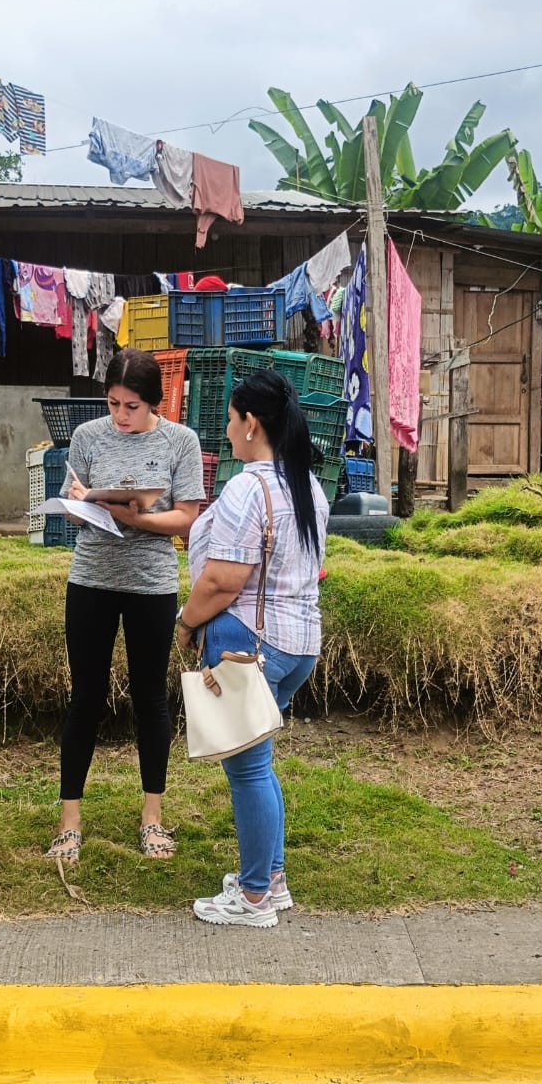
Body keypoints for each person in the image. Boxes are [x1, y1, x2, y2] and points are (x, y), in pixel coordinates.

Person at [176, 371, 329, 927]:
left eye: (230, 418)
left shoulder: (249, 487)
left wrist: (185, 623)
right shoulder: (306, 484)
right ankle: (273, 878)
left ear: (251, 424)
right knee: (258, 765)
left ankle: (255, 896)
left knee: (247, 772)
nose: (226, 429)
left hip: (249, 642)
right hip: (298, 645)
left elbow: (223, 581)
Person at [45, 349, 204, 864]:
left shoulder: (180, 441)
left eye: (131, 406)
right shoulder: (87, 436)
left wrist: (135, 518)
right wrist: (81, 502)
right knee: (85, 697)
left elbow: (186, 517)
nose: (120, 415)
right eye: (113, 403)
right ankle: (69, 821)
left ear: (153, 401)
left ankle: (152, 817)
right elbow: (73, 512)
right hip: (91, 578)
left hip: (151, 584)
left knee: (150, 697)